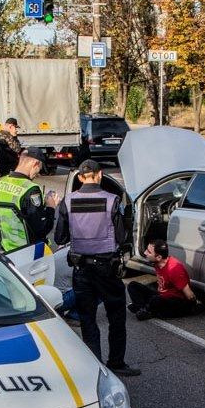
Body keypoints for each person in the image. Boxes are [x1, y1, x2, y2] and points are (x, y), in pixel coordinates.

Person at [54, 159, 139, 377]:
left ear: (80, 177)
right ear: (99, 175)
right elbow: (122, 237)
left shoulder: (68, 201)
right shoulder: (112, 201)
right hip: (107, 269)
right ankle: (116, 363)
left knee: (87, 318)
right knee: (116, 318)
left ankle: (95, 365)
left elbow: (60, 237)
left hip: (81, 269)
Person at [0, 147, 59, 249]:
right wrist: (51, 207)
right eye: (39, 169)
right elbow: (40, 229)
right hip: (28, 250)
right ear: (35, 164)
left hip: (7, 247)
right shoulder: (30, 189)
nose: (38, 174)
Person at [127, 239, 196, 320]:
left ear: (159, 257)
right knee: (132, 286)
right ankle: (143, 309)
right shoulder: (157, 262)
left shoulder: (174, 269)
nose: (145, 253)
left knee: (156, 300)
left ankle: (148, 311)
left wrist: (195, 304)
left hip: (173, 301)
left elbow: (190, 295)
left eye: (149, 252)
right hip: (161, 295)